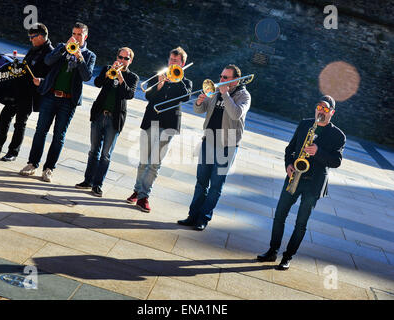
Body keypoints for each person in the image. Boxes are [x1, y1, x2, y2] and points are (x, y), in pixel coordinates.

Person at [257, 95, 346, 270]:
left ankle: (287, 257)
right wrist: (288, 164)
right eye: (319, 107)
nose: (321, 111)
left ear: (332, 112)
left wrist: (318, 151)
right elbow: (290, 148)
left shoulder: (338, 135)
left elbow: (336, 161)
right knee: (279, 215)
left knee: (301, 223)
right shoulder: (305, 124)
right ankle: (272, 251)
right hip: (294, 176)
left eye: (326, 109)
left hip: (314, 184)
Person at [19, 22, 96, 182]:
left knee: (59, 136)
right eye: (74, 34)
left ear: (85, 36)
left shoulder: (89, 56)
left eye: (79, 34)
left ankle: (49, 168)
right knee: (40, 131)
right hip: (50, 96)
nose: (76, 37)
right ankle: (32, 164)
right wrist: (63, 49)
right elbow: (47, 61)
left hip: (68, 101)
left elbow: (87, 77)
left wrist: (79, 58)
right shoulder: (62, 46)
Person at [177, 65, 251, 231]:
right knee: (201, 182)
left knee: (216, 185)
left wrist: (225, 94)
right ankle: (192, 216)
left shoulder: (244, 96)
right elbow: (199, 110)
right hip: (208, 141)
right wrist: (199, 101)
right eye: (221, 76)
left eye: (226, 77)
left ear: (235, 80)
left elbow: (236, 114)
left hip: (227, 145)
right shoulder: (215, 91)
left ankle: (203, 218)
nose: (221, 80)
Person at [126, 47, 192, 213]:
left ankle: (144, 196)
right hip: (151, 121)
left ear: (182, 63)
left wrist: (177, 79)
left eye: (175, 61)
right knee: (143, 161)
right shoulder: (158, 76)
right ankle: (137, 190)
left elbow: (186, 97)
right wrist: (161, 82)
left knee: (154, 163)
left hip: (169, 124)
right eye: (170, 60)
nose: (171, 63)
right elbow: (148, 96)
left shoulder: (186, 81)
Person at [0, 23, 53, 161]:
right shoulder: (35, 48)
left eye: (32, 36)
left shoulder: (50, 53)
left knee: (20, 123)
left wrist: (39, 79)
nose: (30, 39)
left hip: (31, 94)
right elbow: (26, 66)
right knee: (5, 116)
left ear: (41, 36)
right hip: (19, 89)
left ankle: (13, 152)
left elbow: (49, 76)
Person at [75, 47, 139, 197]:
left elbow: (129, 94)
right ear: (116, 57)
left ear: (130, 61)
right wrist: (107, 75)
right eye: (120, 57)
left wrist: (121, 77)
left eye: (126, 58)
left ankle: (98, 185)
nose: (122, 61)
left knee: (105, 154)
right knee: (93, 151)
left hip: (114, 119)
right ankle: (87, 180)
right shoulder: (108, 69)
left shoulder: (132, 77)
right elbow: (97, 83)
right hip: (99, 115)